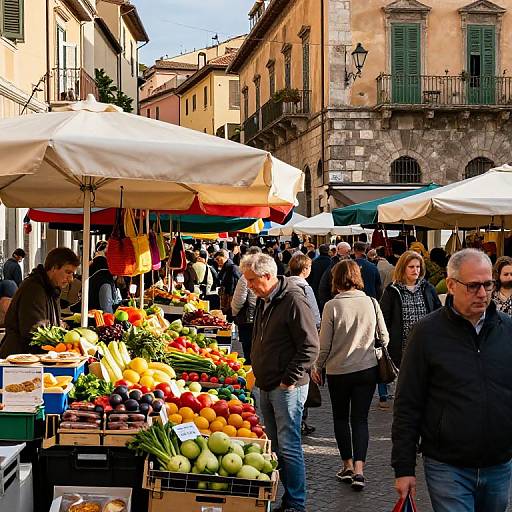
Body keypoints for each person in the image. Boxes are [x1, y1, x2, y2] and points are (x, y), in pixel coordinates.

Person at [392, 248, 512, 512]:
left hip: (499, 464)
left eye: (488, 284)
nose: (482, 293)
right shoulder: (426, 334)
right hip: (448, 466)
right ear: (452, 285)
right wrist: (404, 467)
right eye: (473, 286)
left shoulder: (507, 329)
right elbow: (407, 404)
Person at [240, 253, 319, 512]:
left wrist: (288, 380)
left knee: (289, 446)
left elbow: (310, 346)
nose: (249, 285)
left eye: (252, 280)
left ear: (267, 276)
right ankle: (286, 497)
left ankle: (296, 502)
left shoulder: (294, 300)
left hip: (287, 388)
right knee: (276, 446)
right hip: (267, 383)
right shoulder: (265, 299)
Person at [313, 260, 389, 490]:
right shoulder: (372, 302)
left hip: (339, 371)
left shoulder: (331, 306)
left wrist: (318, 366)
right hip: (366, 369)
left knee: (340, 418)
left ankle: (346, 464)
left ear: (335, 279)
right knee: (360, 419)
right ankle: (359, 470)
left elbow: (324, 345)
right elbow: (384, 337)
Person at [379, 250, 441, 411]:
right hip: (401, 347)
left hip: (426, 346)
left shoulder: (427, 288)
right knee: (405, 385)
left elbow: (438, 312)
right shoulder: (392, 291)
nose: (416, 270)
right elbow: (383, 318)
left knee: (426, 383)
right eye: (411, 267)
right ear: (403, 269)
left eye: (418, 267)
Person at [0, 248, 80, 357]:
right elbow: (35, 331)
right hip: (20, 360)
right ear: (54, 268)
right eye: (68, 272)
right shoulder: (34, 289)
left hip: (29, 358)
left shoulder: (51, 288)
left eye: (73, 274)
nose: (71, 279)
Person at [231, 246, 261, 364]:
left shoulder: (245, 277)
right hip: (261, 318)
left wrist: (234, 313)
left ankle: (251, 375)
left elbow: (239, 299)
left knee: (248, 351)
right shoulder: (265, 274)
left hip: (248, 319)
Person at [318, 242, 352, 312]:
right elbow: (332, 285)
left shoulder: (334, 263)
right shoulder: (336, 265)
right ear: (339, 250)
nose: (349, 253)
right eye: (347, 251)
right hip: (335, 302)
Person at [215, 249, 241, 316]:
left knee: (228, 313)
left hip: (230, 295)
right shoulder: (225, 267)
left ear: (224, 257)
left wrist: (230, 297)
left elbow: (235, 282)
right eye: (216, 260)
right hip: (227, 294)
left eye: (218, 259)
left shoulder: (231, 267)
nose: (217, 262)